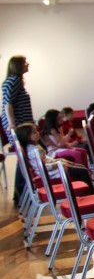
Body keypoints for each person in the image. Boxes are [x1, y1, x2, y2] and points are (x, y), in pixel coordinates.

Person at [17, 123, 94, 195]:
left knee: (81, 168)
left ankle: (86, 193)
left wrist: (59, 160)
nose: (38, 133)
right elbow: (43, 167)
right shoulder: (33, 151)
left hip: (52, 169)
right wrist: (59, 163)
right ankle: (90, 194)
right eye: (34, 132)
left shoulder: (34, 146)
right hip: (49, 174)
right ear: (26, 136)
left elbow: (46, 158)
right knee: (82, 171)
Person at [2, 56, 34, 206]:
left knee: (24, 159)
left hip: (21, 126)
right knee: (24, 158)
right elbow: (8, 104)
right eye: (25, 62)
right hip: (19, 127)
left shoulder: (14, 81)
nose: (27, 64)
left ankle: (21, 194)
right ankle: (20, 193)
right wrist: (12, 124)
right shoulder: (14, 80)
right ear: (17, 66)